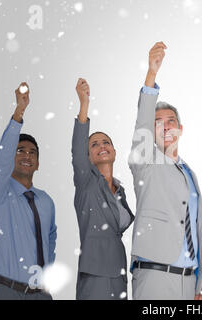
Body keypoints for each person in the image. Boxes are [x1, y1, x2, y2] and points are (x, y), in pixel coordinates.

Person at [128, 42, 202, 300]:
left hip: (188, 280)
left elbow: (196, 226)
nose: (165, 126)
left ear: (180, 129)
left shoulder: (189, 172)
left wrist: (197, 284)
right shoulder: (145, 161)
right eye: (157, 123)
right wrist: (151, 75)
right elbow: (142, 123)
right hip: (155, 277)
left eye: (171, 121)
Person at [0, 82, 57, 300]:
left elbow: (50, 238)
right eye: (20, 150)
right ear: (12, 158)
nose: (27, 155)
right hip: (6, 291)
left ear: (38, 163)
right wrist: (18, 113)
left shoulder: (46, 201)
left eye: (32, 152)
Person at [72, 78, 134, 300]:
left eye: (106, 142)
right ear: (88, 156)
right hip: (95, 274)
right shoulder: (85, 183)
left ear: (115, 152)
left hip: (118, 275)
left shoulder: (121, 191)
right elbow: (77, 152)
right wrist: (84, 106)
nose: (102, 146)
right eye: (94, 144)